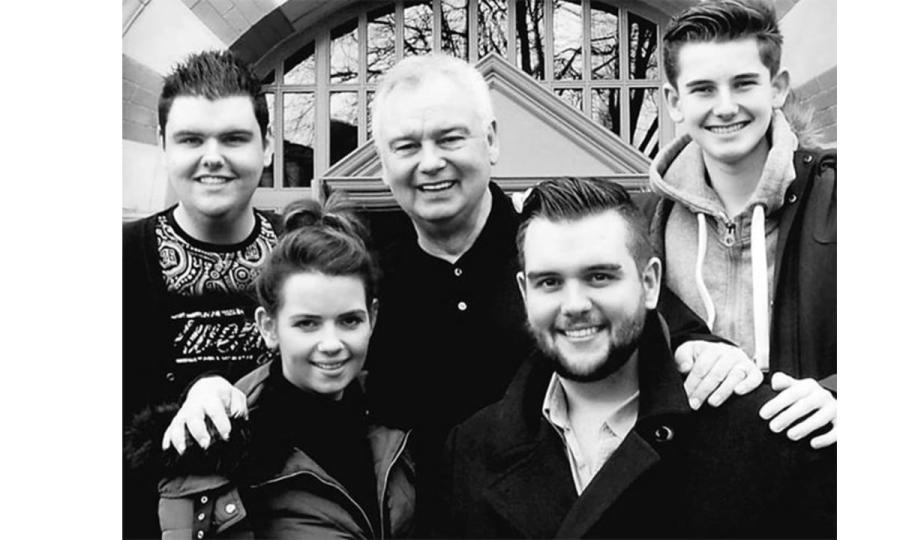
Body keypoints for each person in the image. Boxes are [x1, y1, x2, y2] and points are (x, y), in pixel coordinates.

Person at [158, 54, 761, 530]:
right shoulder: (369, 275)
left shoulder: (551, 252)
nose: (430, 163)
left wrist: (709, 349)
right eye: (406, 146)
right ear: (382, 161)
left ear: (491, 140)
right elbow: (301, 369)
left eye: (450, 138)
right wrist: (218, 390)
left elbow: (653, 322)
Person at [439, 177, 835, 538]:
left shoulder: (766, 436)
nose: (574, 304)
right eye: (550, 282)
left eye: (600, 277)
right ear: (525, 294)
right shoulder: (470, 453)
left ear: (650, 283)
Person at [130, 197, 415, 539]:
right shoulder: (223, 447)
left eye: (349, 320)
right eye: (307, 324)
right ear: (268, 327)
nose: (331, 343)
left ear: (373, 317)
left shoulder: (398, 416)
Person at [643, 0, 837, 448]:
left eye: (744, 83)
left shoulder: (840, 197)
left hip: (818, 480)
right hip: (693, 484)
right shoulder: (646, 224)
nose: (725, 107)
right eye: (703, 89)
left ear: (778, 88)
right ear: (674, 102)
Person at [123, 50, 280, 537]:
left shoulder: (303, 259)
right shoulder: (112, 265)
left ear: (268, 145)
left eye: (234, 138)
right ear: (163, 144)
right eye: (192, 139)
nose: (213, 156)